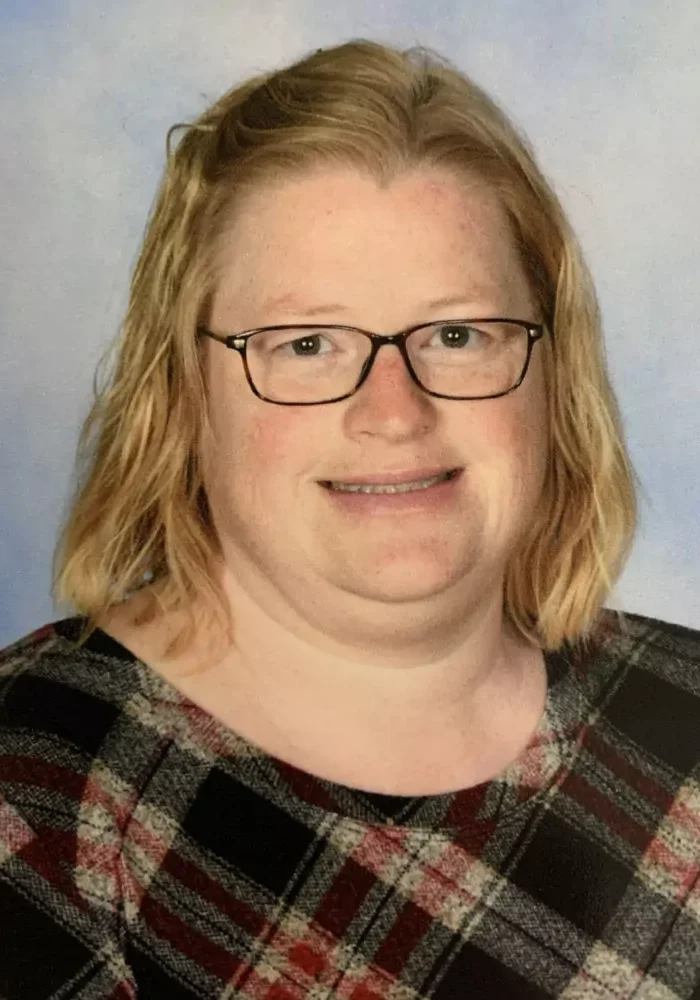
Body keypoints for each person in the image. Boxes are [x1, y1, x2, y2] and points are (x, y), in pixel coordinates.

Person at [1, 38, 698, 1000]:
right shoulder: (36, 795)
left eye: (456, 334)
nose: (393, 412)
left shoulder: (685, 722)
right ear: (183, 393)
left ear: (552, 374)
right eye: (309, 344)